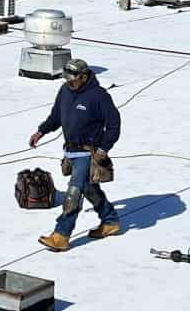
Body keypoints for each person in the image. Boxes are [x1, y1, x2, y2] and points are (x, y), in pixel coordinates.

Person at [30, 58, 122, 251]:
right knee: (89, 189)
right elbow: (56, 116)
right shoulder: (65, 91)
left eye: (73, 80)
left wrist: (103, 149)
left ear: (84, 76)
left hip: (88, 153)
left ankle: (61, 235)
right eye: (66, 79)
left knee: (74, 193)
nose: (69, 83)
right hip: (70, 150)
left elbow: (114, 125)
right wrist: (41, 131)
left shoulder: (99, 96)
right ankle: (110, 221)